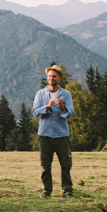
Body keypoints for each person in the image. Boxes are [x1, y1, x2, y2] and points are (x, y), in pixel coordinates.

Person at [32, 65, 75, 198]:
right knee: (45, 164)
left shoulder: (66, 94)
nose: (51, 78)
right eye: (49, 76)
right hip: (45, 135)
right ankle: (46, 190)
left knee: (66, 164)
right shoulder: (40, 94)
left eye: (54, 76)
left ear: (59, 78)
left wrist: (62, 107)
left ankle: (67, 190)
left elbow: (70, 113)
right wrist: (48, 106)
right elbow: (35, 112)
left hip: (61, 134)